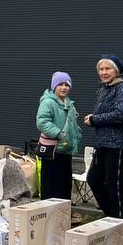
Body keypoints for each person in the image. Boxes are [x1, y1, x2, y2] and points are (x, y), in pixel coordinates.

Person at [83, 55, 123, 221]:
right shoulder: (104, 88)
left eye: (108, 68)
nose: (104, 72)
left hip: (119, 143)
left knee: (114, 184)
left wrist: (95, 119)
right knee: (93, 179)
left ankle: (119, 221)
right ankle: (111, 218)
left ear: (117, 70)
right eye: (101, 69)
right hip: (103, 143)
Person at [36, 71, 82, 200]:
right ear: (54, 86)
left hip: (66, 150)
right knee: (51, 185)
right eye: (60, 84)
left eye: (67, 84)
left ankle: (63, 214)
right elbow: (42, 122)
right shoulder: (48, 102)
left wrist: (77, 134)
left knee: (64, 184)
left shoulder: (69, 103)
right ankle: (48, 213)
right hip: (53, 151)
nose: (64, 87)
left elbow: (72, 124)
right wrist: (59, 134)